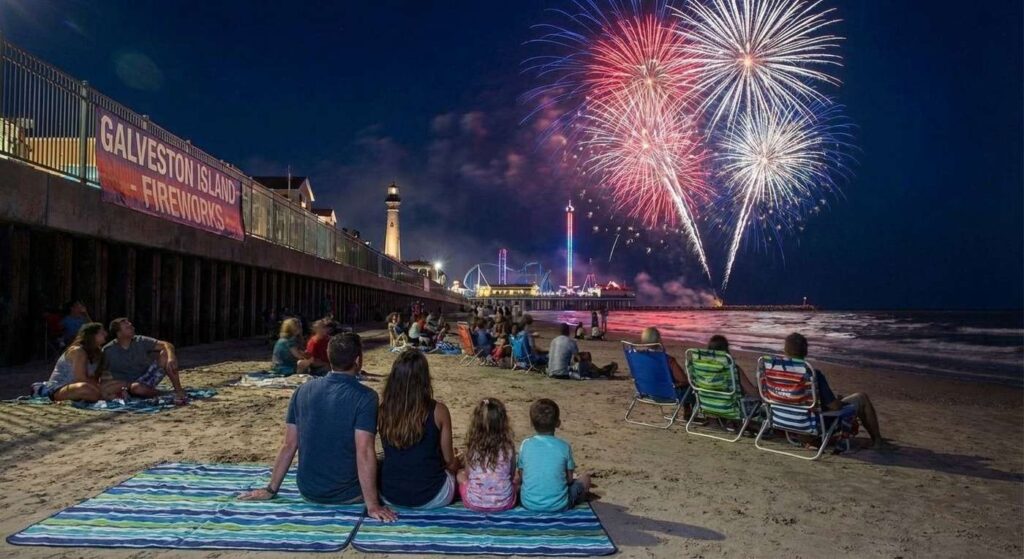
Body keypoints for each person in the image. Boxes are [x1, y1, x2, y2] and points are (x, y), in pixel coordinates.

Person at [239, 333, 397, 522]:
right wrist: (372, 505)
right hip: (347, 495)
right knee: (386, 464)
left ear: (330, 358)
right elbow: (364, 451)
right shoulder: (365, 397)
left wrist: (271, 488)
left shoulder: (302, 390)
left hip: (308, 490)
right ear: (357, 360)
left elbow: (289, 445)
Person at [378, 350, 460, 508]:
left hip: (391, 495)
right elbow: (449, 461)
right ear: (424, 379)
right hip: (433, 496)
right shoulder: (439, 411)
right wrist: (458, 463)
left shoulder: (383, 410)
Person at [784, 333, 888, 449]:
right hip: (812, 425)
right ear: (806, 351)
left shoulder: (776, 372)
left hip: (787, 421)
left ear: (785, 350)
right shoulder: (812, 375)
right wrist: (839, 402)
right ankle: (878, 442)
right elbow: (834, 407)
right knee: (861, 398)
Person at [517, 399, 591, 512]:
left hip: (528, 504)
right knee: (585, 478)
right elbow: (569, 479)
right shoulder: (564, 446)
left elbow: (522, 476)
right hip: (559, 505)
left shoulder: (525, 444)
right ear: (558, 423)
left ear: (531, 424)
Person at [102, 318, 186, 404]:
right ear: (119, 334)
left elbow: (166, 344)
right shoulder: (108, 350)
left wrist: (171, 357)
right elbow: (100, 371)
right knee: (136, 388)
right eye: (127, 328)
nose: (132, 328)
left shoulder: (140, 340)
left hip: (147, 376)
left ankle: (178, 390)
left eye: (131, 326)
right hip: (127, 384)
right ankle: (165, 393)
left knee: (166, 353)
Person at [457, 398, 519, 512]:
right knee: (516, 480)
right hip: (505, 502)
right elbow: (511, 473)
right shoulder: (508, 447)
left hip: (473, 502)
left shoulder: (472, 447)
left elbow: (468, 473)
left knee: (460, 475)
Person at [34, 322, 119, 402]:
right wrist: (103, 391)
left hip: (88, 387)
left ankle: (103, 395)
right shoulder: (78, 351)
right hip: (59, 387)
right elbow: (80, 378)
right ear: (92, 335)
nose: (105, 334)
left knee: (116, 384)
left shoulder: (98, 353)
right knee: (84, 388)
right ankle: (103, 397)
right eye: (101, 332)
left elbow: (96, 377)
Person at [547, 323, 617, 379]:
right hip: (562, 374)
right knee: (585, 365)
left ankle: (602, 371)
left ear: (559, 332)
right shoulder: (570, 342)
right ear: (568, 332)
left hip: (551, 373)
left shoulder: (553, 341)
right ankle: (602, 371)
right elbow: (579, 359)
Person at [640, 327, 689, 392]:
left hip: (647, 392)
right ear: (659, 340)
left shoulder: (640, 357)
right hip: (667, 394)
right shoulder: (668, 360)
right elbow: (684, 380)